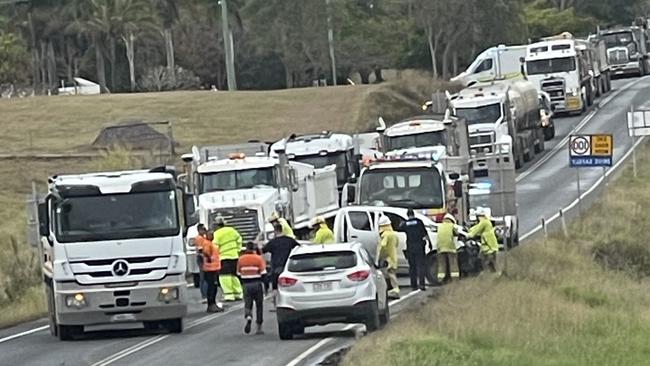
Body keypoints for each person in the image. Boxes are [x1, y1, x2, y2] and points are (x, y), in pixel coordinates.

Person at [263, 222, 300, 309]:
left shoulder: (272, 242)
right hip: (288, 267)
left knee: (275, 287)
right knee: (289, 286)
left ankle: (276, 305)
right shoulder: (289, 240)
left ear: (275, 231)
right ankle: (290, 304)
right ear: (282, 230)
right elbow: (298, 247)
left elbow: (263, 250)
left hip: (276, 267)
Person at [237, 241, 267, 335]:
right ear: (254, 249)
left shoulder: (241, 259)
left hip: (246, 284)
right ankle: (259, 327)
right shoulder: (258, 258)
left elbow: (238, 273)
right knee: (259, 305)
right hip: (257, 283)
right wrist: (265, 286)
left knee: (248, 303)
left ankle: (248, 315)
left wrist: (242, 282)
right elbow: (263, 274)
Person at [213, 216, 244, 301]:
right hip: (234, 256)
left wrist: (215, 256)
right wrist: (238, 249)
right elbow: (239, 239)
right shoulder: (232, 230)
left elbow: (215, 246)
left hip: (223, 257)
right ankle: (238, 293)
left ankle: (229, 295)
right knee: (234, 275)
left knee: (224, 276)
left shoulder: (216, 234)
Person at [397, 209, 428, 291]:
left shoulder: (405, 224)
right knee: (421, 266)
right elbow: (425, 234)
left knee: (412, 267)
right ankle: (422, 285)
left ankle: (414, 286)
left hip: (410, 247)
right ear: (414, 214)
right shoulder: (419, 222)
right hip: (419, 246)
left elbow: (399, 228)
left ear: (407, 215)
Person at [197, 230, 224, 313]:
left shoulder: (210, 243)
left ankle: (213, 304)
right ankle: (211, 304)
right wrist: (208, 258)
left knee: (213, 287)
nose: (212, 236)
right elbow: (205, 252)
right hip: (210, 268)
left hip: (214, 267)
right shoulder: (207, 243)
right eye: (210, 234)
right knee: (212, 287)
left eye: (212, 234)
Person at [468, 207, 499, 272]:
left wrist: (468, 234)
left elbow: (476, 230)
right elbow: (476, 227)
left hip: (489, 248)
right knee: (489, 264)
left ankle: (489, 277)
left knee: (488, 264)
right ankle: (492, 276)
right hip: (488, 247)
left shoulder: (484, 222)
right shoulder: (486, 221)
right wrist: (469, 229)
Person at [378, 215, 400, 299]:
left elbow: (383, 246)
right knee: (392, 273)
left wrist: (380, 256)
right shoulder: (393, 234)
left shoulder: (385, 235)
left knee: (391, 274)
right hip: (393, 256)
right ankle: (393, 290)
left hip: (388, 258)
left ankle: (395, 290)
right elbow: (396, 244)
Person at [436, 213, 459, 284]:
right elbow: (457, 233)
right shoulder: (452, 226)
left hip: (440, 247)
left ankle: (440, 279)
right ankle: (455, 280)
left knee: (441, 264)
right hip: (450, 247)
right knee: (453, 263)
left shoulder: (439, 226)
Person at [194, 224, 209, 301]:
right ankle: (204, 295)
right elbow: (200, 250)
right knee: (204, 277)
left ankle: (205, 294)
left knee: (205, 277)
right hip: (201, 258)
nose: (204, 230)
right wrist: (206, 257)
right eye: (203, 229)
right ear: (199, 230)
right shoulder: (199, 238)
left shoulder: (202, 237)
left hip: (202, 257)